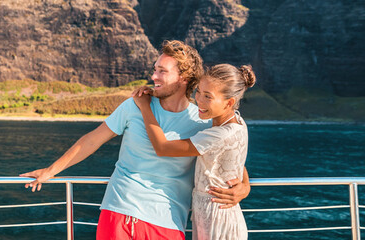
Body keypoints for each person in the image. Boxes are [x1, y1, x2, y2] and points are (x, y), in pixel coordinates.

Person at [20, 40, 250, 239]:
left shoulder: (201, 119)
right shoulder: (133, 106)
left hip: (167, 221)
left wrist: (244, 186)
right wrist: (51, 170)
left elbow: (225, 151)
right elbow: (92, 139)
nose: (153, 76)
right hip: (119, 211)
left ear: (183, 78)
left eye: (162, 71)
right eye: (154, 69)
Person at [131, 64, 256, 239]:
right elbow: (233, 158)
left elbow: (163, 148)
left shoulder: (218, 134)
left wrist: (145, 107)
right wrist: (245, 184)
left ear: (229, 103)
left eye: (208, 96)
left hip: (216, 219)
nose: (199, 100)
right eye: (198, 91)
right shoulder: (237, 123)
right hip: (217, 215)